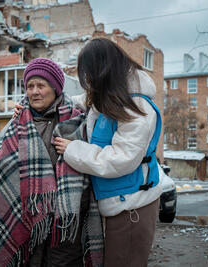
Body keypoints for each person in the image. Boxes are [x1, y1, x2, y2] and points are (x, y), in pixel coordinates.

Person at [0, 57, 104, 267]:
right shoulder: (16, 124)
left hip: (67, 222)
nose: (34, 92)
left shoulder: (78, 120)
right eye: (30, 86)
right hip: (26, 220)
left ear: (55, 88)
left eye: (41, 85)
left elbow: (91, 162)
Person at [54, 38, 163, 267]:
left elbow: (121, 159)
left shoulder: (137, 107)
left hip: (133, 205)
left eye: (90, 74)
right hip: (120, 202)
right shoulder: (110, 98)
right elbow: (75, 102)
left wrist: (73, 149)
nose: (89, 82)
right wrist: (38, 103)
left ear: (104, 70)